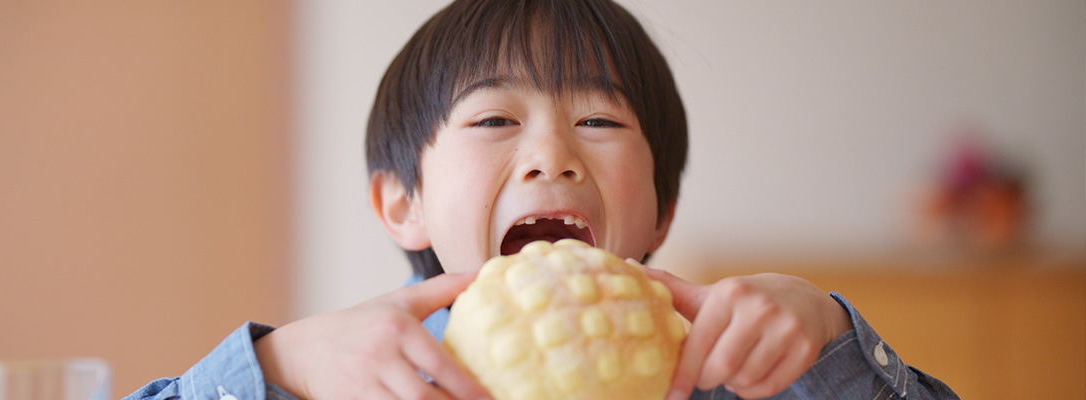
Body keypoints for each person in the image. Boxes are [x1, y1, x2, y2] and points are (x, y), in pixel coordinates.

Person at [126, 0, 958, 399]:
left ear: (662, 210)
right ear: (400, 202)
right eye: (493, 118)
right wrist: (276, 368)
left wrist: (829, 342)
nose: (551, 155)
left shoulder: (743, 378)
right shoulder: (351, 388)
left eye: (597, 118)